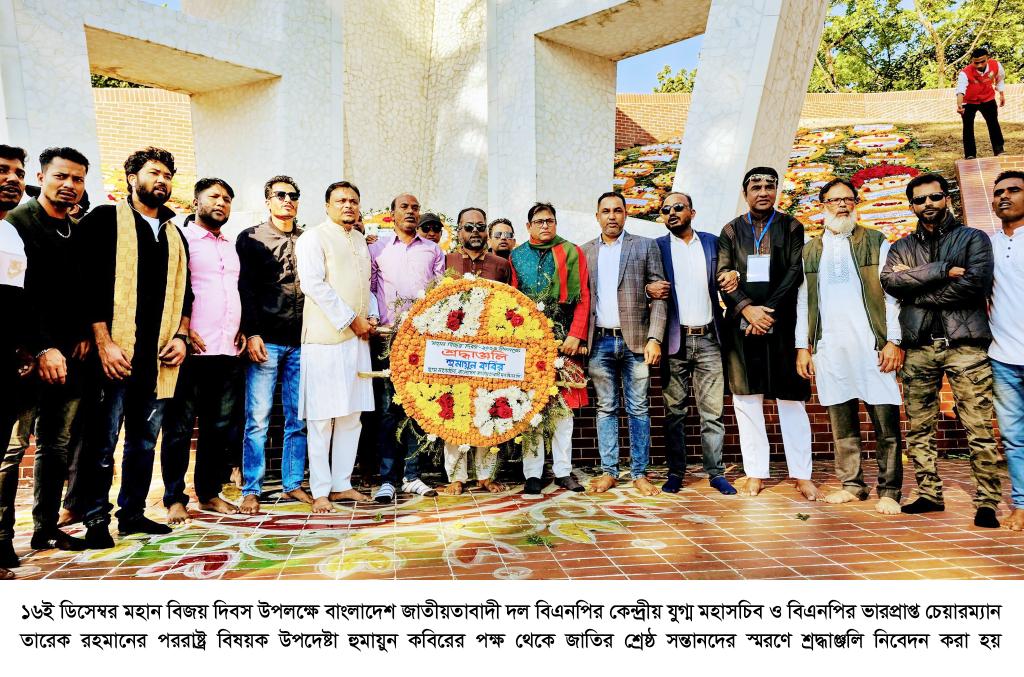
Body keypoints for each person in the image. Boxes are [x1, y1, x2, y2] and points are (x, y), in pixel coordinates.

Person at [78, 147, 192, 546]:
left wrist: (181, 336)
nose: (161, 180)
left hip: (157, 358)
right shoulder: (105, 220)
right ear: (132, 178)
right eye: (153, 173)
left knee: (144, 442)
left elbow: (186, 294)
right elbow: (88, 284)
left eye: (167, 175)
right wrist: (104, 342)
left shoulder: (175, 233)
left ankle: (132, 514)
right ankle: (95, 519)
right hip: (116, 354)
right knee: (103, 442)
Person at [881, 172, 1001, 528]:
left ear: (946, 198)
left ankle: (987, 501)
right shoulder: (901, 246)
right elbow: (890, 281)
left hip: (965, 347)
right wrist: (941, 270)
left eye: (934, 197)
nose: (928, 204)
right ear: (912, 206)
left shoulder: (973, 238)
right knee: (919, 428)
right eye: (920, 200)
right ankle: (929, 494)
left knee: (978, 427)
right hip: (918, 348)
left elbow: (974, 285)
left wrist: (917, 288)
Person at [795, 178, 904, 515]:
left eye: (848, 199)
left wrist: (892, 340)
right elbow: (803, 301)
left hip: (872, 345)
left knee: (885, 423)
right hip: (830, 347)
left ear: (856, 203)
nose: (842, 205)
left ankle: (889, 490)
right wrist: (803, 346)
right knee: (842, 424)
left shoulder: (875, 241)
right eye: (834, 200)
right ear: (822, 206)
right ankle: (852, 485)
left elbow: (892, 296)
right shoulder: (811, 250)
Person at [3, 147, 91, 552]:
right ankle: (2, 539)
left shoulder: (76, 230)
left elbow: (82, 290)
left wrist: (87, 333)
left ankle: (46, 527)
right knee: (13, 448)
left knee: (56, 445)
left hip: (71, 360)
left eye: (77, 179)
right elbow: (18, 298)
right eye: (61, 176)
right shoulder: (16, 223)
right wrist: (39, 348)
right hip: (26, 357)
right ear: (41, 178)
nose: (69, 185)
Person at [717, 167, 820, 500]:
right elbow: (722, 273)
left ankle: (802, 473)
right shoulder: (731, 230)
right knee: (747, 400)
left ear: (776, 190)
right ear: (745, 193)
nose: (763, 192)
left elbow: (795, 272)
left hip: (782, 325)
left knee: (791, 401)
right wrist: (748, 309)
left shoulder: (791, 226)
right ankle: (756, 472)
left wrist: (767, 312)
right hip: (743, 327)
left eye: (769, 186)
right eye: (756, 187)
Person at [160, 178, 246, 524]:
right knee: (179, 428)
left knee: (218, 427)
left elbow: (236, 291)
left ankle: (209, 493)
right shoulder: (180, 239)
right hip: (190, 351)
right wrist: (181, 329)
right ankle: (174, 498)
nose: (221, 203)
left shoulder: (230, 245)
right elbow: (171, 288)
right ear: (196, 202)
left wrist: (243, 327)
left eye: (227, 198)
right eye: (214, 197)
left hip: (227, 350)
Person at [646, 192, 736, 495]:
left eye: (678, 207)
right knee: (675, 413)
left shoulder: (712, 243)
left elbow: (729, 273)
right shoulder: (657, 247)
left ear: (692, 213)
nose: (671, 213)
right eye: (665, 210)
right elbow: (645, 282)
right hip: (674, 341)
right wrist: (647, 289)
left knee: (713, 412)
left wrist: (733, 274)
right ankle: (676, 472)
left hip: (710, 338)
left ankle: (716, 473)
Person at [296, 181, 376, 513]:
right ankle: (320, 491)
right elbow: (312, 284)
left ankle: (342, 484)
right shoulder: (313, 237)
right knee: (321, 418)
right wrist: (350, 319)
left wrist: (370, 315)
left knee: (351, 415)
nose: (348, 205)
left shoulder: (358, 239)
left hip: (357, 340)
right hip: (325, 340)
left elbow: (364, 285)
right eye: (341, 200)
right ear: (327, 206)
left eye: (353, 200)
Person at [582, 192, 665, 496]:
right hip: (599, 342)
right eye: (606, 211)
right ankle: (609, 471)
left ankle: (640, 473)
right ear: (597, 216)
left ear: (626, 214)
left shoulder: (644, 246)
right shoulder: (585, 252)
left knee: (638, 408)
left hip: (637, 343)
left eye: (617, 210)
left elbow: (661, 296)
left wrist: (655, 337)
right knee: (606, 407)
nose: (612, 216)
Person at [237, 176, 311, 515]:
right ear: (268, 200)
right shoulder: (251, 238)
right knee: (258, 419)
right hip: (266, 341)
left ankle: (292, 483)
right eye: (280, 195)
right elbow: (245, 289)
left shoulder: (308, 239)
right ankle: (251, 489)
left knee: (297, 417)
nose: (287, 200)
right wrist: (251, 332)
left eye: (293, 195)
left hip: (302, 341)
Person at [371, 193, 445, 502]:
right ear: (392, 214)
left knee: (418, 407)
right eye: (404, 207)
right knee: (388, 411)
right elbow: (371, 290)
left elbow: (441, 293)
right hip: (388, 339)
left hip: (422, 340)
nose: (411, 212)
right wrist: (374, 319)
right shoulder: (377, 248)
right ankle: (388, 478)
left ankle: (412, 476)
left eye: (415, 207)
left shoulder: (433, 250)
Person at [509, 202, 587, 494]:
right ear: (528, 226)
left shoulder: (572, 252)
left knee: (564, 410)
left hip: (565, 342)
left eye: (550, 221)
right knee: (531, 407)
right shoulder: (516, 256)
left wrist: (576, 335)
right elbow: (512, 300)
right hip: (528, 343)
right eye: (539, 221)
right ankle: (533, 473)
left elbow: (583, 297)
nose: (545, 225)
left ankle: (563, 471)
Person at [440, 207, 513, 495]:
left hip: (490, 352)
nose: (475, 232)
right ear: (458, 230)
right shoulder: (446, 261)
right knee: (454, 409)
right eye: (468, 227)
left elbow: (512, 305)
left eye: (480, 227)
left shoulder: (500, 265)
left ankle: (485, 475)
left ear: (486, 231)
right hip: (454, 350)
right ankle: (456, 476)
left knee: (488, 408)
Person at [989, 170, 1024, 532]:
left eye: (1014, 190)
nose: (1004, 196)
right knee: (1014, 438)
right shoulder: (988, 245)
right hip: (1003, 357)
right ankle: (1022, 503)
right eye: (999, 191)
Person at [0, 144, 29, 578]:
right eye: (2, 170)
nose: (12, 179)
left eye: (18, 173)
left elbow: (15, 301)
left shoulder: (9, 232)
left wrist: (25, 349)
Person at [957, 47, 1006, 159]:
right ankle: (970, 154)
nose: (979, 65)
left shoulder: (996, 65)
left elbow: (1000, 79)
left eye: (982, 61)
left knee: (993, 123)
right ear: (972, 61)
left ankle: (999, 150)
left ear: (988, 58)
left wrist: (1001, 94)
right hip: (969, 101)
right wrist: (959, 104)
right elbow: (960, 89)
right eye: (976, 63)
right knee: (968, 127)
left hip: (988, 99)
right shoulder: (965, 73)